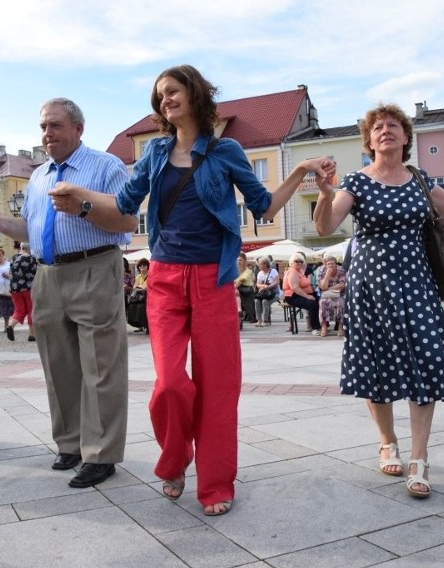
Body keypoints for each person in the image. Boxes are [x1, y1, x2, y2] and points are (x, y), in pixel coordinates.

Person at [47, 64, 335, 515]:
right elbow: (123, 207)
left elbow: (264, 207)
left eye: (173, 91)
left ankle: (216, 484)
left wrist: (300, 169)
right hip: (163, 278)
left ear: (195, 94)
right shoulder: (156, 152)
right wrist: (81, 200)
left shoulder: (227, 151)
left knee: (218, 387)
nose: (166, 100)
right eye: (160, 95)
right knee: (170, 385)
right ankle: (175, 459)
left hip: (213, 279)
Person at [313, 103, 444, 498]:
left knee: (425, 362)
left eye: (394, 125)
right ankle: (387, 441)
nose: (385, 130)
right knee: (374, 363)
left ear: (406, 137)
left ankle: (419, 457)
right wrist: (326, 194)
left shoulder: (419, 179)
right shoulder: (356, 182)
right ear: (369, 139)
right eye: (377, 126)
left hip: (417, 287)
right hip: (371, 290)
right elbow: (325, 226)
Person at [0, 97, 133, 488]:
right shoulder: (39, 176)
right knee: (58, 367)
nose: (47, 133)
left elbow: (127, 219)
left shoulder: (105, 166)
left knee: (101, 365)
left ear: (78, 128)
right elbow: (31, 230)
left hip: (94, 265)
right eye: (43, 126)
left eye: (55, 126)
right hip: (47, 274)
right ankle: (72, 443)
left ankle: (102, 453)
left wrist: (85, 208)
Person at [5, 243, 37, 342]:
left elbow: (11, 272)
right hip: (28, 288)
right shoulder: (31, 259)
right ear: (28, 248)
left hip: (14, 289)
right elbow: (36, 272)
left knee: (19, 310)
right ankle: (32, 334)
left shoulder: (14, 258)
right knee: (31, 310)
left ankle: (11, 325)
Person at [283, 252, 320, 335]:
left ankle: (324, 325)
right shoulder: (292, 271)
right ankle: (315, 328)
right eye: (297, 261)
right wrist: (307, 296)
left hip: (302, 294)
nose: (299, 263)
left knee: (321, 300)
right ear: (291, 262)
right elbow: (295, 288)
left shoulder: (299, 271)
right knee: (312, 304)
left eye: (301, 261)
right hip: (292, 296)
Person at [316, 253, 346, 337]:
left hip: (340, 294)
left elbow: (342, 285)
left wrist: (328, 289)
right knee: (322, 303)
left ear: (336, 264)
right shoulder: (321, 271)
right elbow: (322, 287)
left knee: (341, 303)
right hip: (326, 295)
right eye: (328, 264)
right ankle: (324, 327)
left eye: (332, 263)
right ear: (325, 264)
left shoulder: (341, 270)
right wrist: (327, 275)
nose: (330, 265)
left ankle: (341, 327)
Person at [253, 256, 280, 327]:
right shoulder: (260, 273)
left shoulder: (273, 271)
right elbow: (258, 284)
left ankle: (266, 320)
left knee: (265, 302)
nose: (259, 265)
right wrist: (264, 286)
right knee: (256, 301)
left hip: (273, 293)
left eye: (260, 264)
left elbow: (277, 282)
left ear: (265, 264)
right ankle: (259, 320)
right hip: (263, 293)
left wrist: (268, 287)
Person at [127, 258, 150, 333]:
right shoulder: (138, 277)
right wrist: (140, 288)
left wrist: (139, 288)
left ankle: (147, 326)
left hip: (147, 297)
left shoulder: (150, 275)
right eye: (140, 266)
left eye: (144, 265)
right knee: (131, 307)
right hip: (139, 297)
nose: (142, 267)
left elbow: (146, 288)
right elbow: (135, 287)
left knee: (141, 307)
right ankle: (140, 325)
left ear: (148, 267)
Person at [234, 252, 256, 323]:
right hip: (239, 291)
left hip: (247, 290)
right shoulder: (235, 272)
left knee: (239, 292)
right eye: (237, 260)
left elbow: (239, 283)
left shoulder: (248, 271)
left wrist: (232, 288)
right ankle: (240, 311)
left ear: (245, 261)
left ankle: (241, 311)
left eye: (240, 260)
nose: (238, 262)